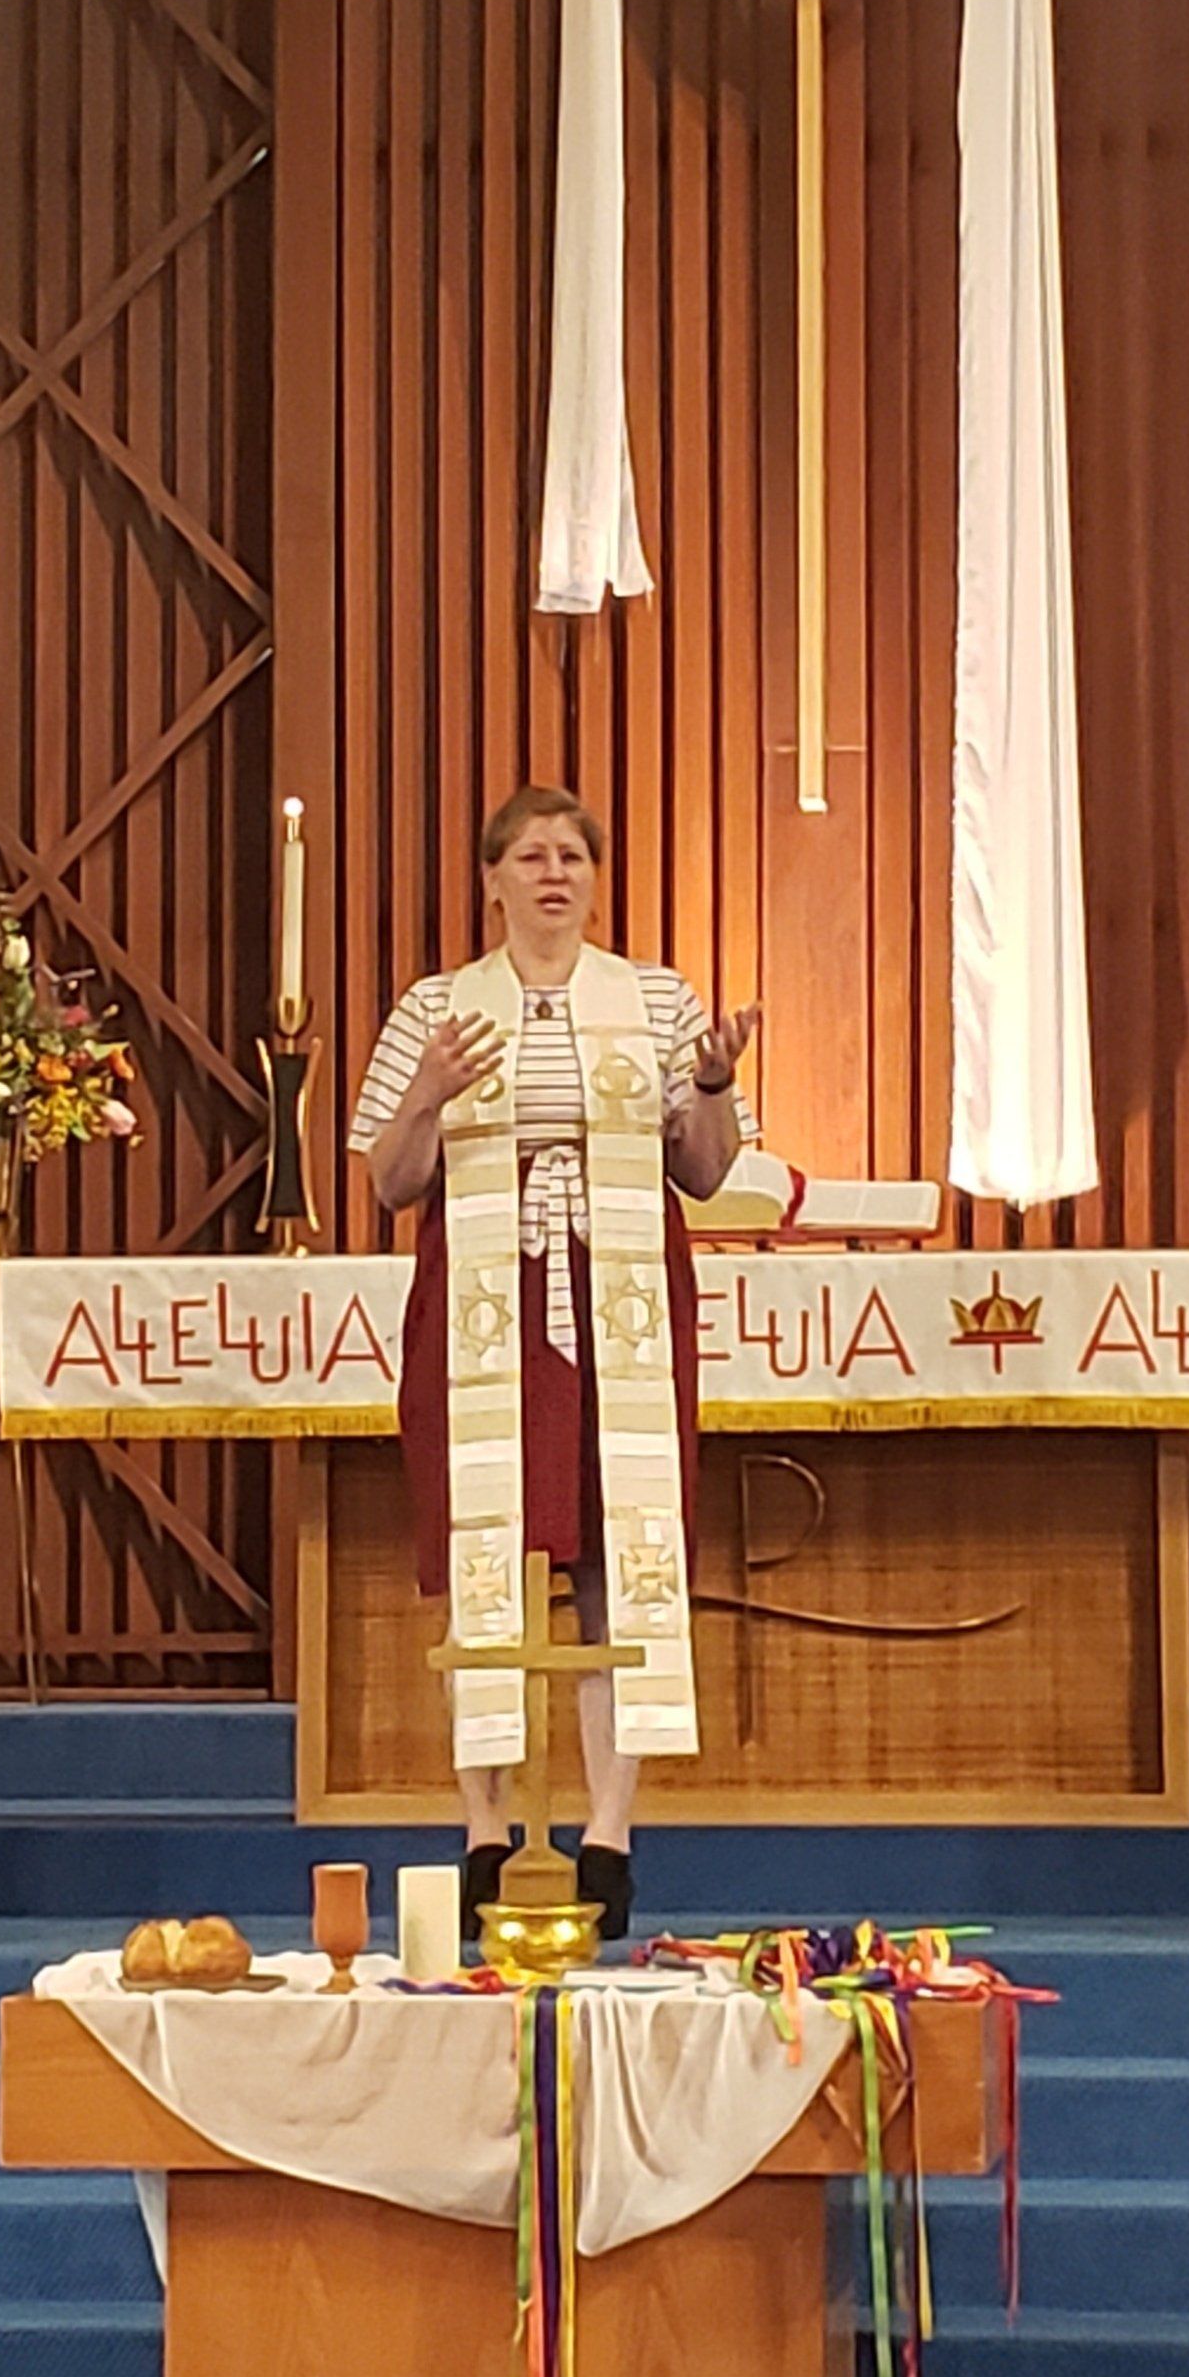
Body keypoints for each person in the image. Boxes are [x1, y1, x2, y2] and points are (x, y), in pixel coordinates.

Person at [348, 785, 757, 1942]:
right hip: (487, 1298)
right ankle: (482, 1826)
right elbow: (389, 1179)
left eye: (572, 853)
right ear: (493, 880)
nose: (552, 872)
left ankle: (611, 1833)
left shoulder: (657, 998)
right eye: (528, 855)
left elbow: (710, 1170)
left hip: (619, 1299)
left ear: (593, 876)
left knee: (614, 1560)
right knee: (483, 1552)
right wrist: (425, 1088)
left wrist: (716, 1084)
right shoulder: (436, 1006)